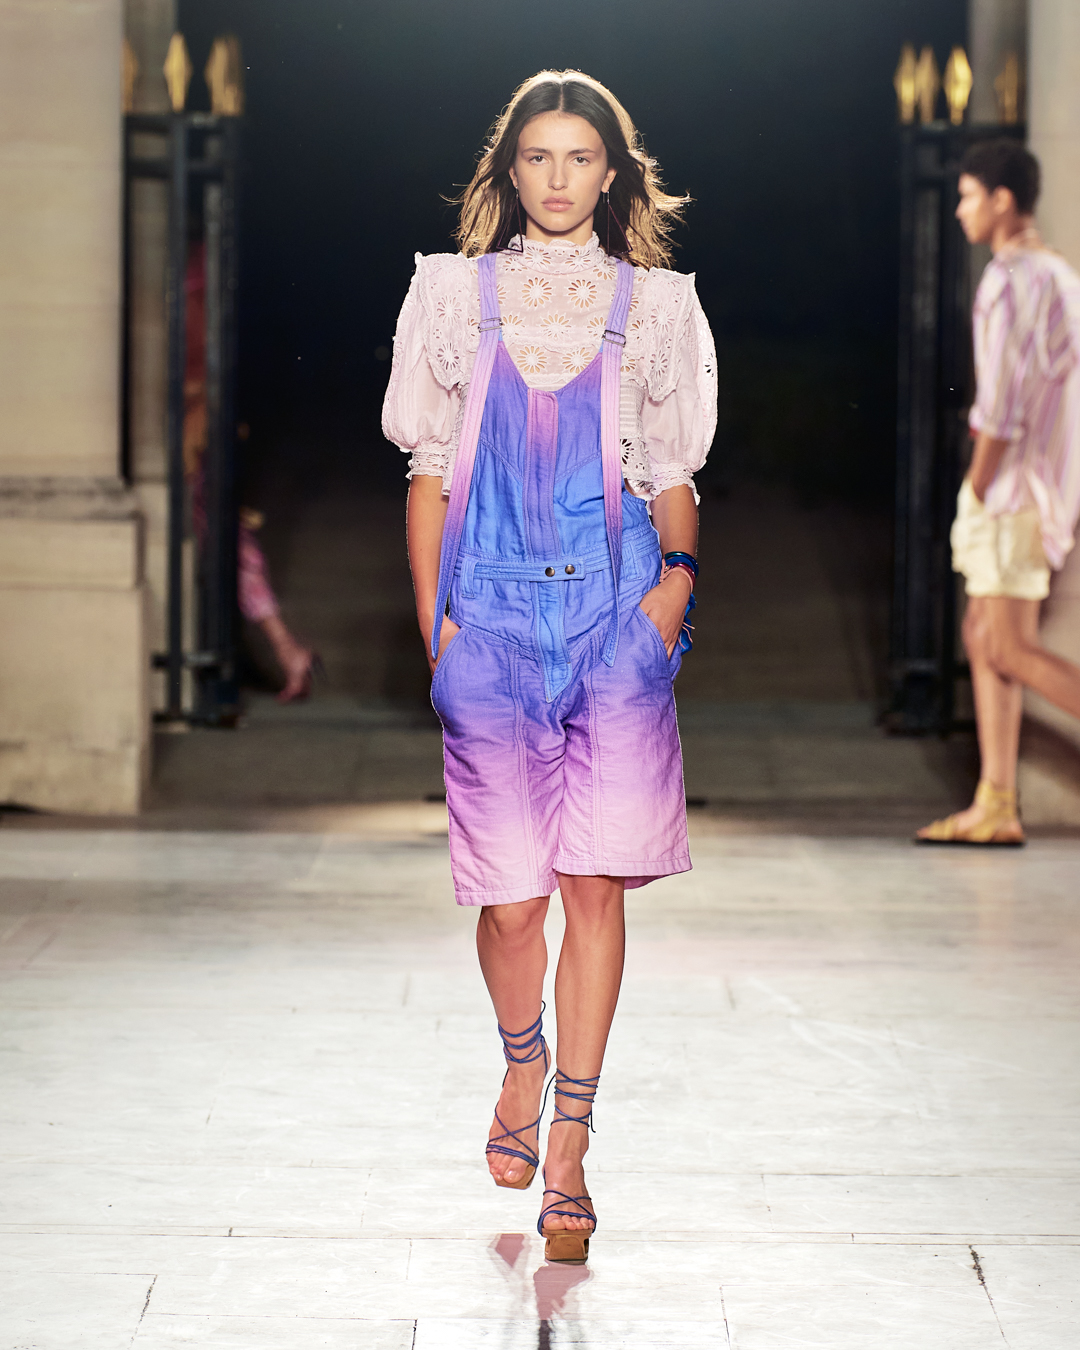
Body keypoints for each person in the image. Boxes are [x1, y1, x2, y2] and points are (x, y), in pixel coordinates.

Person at [382, 70, 716, 1261]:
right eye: (538, 156)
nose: (559, 177)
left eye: (580, 157)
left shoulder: (657, 307)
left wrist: (672, 591)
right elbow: (429, 472)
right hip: (489, 620)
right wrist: (438, 629)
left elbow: (671, 470)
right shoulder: (451, 295)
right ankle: (522, 1062)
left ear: (611, 172)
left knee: (593, 891)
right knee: (512, 903)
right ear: (510, 169)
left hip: (618, 617)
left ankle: (570, 1140)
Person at [918, 140, 1080, 846]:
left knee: (1008, 647)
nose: (960, 211)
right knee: (982, 634)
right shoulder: (1059, 275)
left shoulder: (1008, 280)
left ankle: (998, 803)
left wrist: (979, 484)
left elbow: (1004, 405)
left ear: (1002, 200)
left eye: (968, 196)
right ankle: (997, 802)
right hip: (1044, 484)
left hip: (1012, 489)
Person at [184, 242, 317, 703]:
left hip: (195, 426)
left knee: (227, 541)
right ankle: (285, 651)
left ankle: (283, 650)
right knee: (226, 541)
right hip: (200, 424)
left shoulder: (196, 278)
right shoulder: (203, 274)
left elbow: (196, 355)